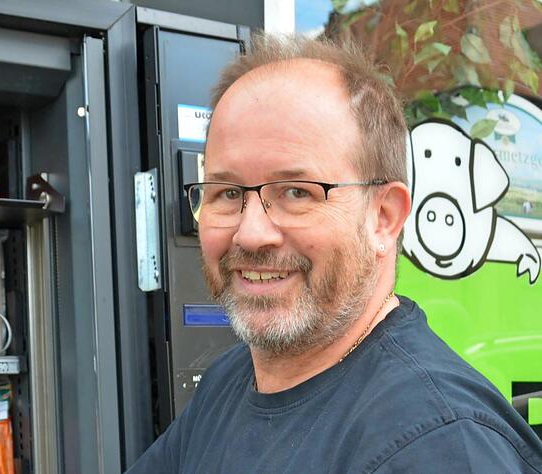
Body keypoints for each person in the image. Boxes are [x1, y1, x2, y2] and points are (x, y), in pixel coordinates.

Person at [126, 33, 542, 473]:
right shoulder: (230, 380)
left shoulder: (438, 446)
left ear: (383, 217)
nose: (250, 234)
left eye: (295, 192)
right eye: (227, 192)